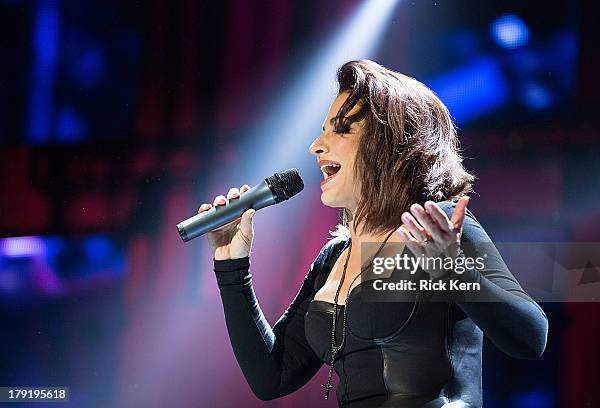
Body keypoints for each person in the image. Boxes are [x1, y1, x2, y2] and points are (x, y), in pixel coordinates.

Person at [198, 60, 548, 408]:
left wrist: (451, 269)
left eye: (341, 130)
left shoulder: (437, 226)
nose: (316, 146)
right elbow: (272, 376)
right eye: (322, 130)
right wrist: (232, 266)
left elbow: (532, 337)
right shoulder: (334, 257)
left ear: (392, 144)